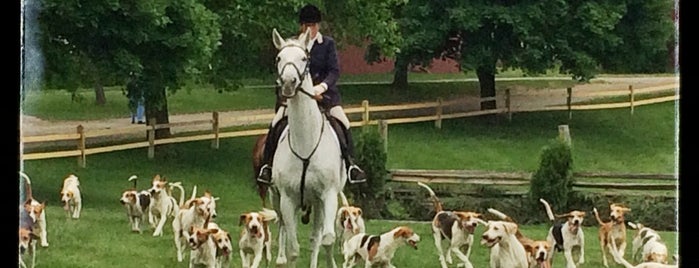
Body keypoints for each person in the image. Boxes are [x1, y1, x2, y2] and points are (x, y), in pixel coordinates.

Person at [257, 3, 366, 185]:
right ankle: (267, 166)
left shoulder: (327, 44)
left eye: (313, 25)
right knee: (276, 123)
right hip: (296, 98)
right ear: (302, 26)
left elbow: (334, 71)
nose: (310, 29)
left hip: (325, 96)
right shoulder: (292, 45)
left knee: (344, 123)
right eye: (306, 25)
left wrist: (320, 88)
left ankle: (351, 166)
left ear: (318, 26)